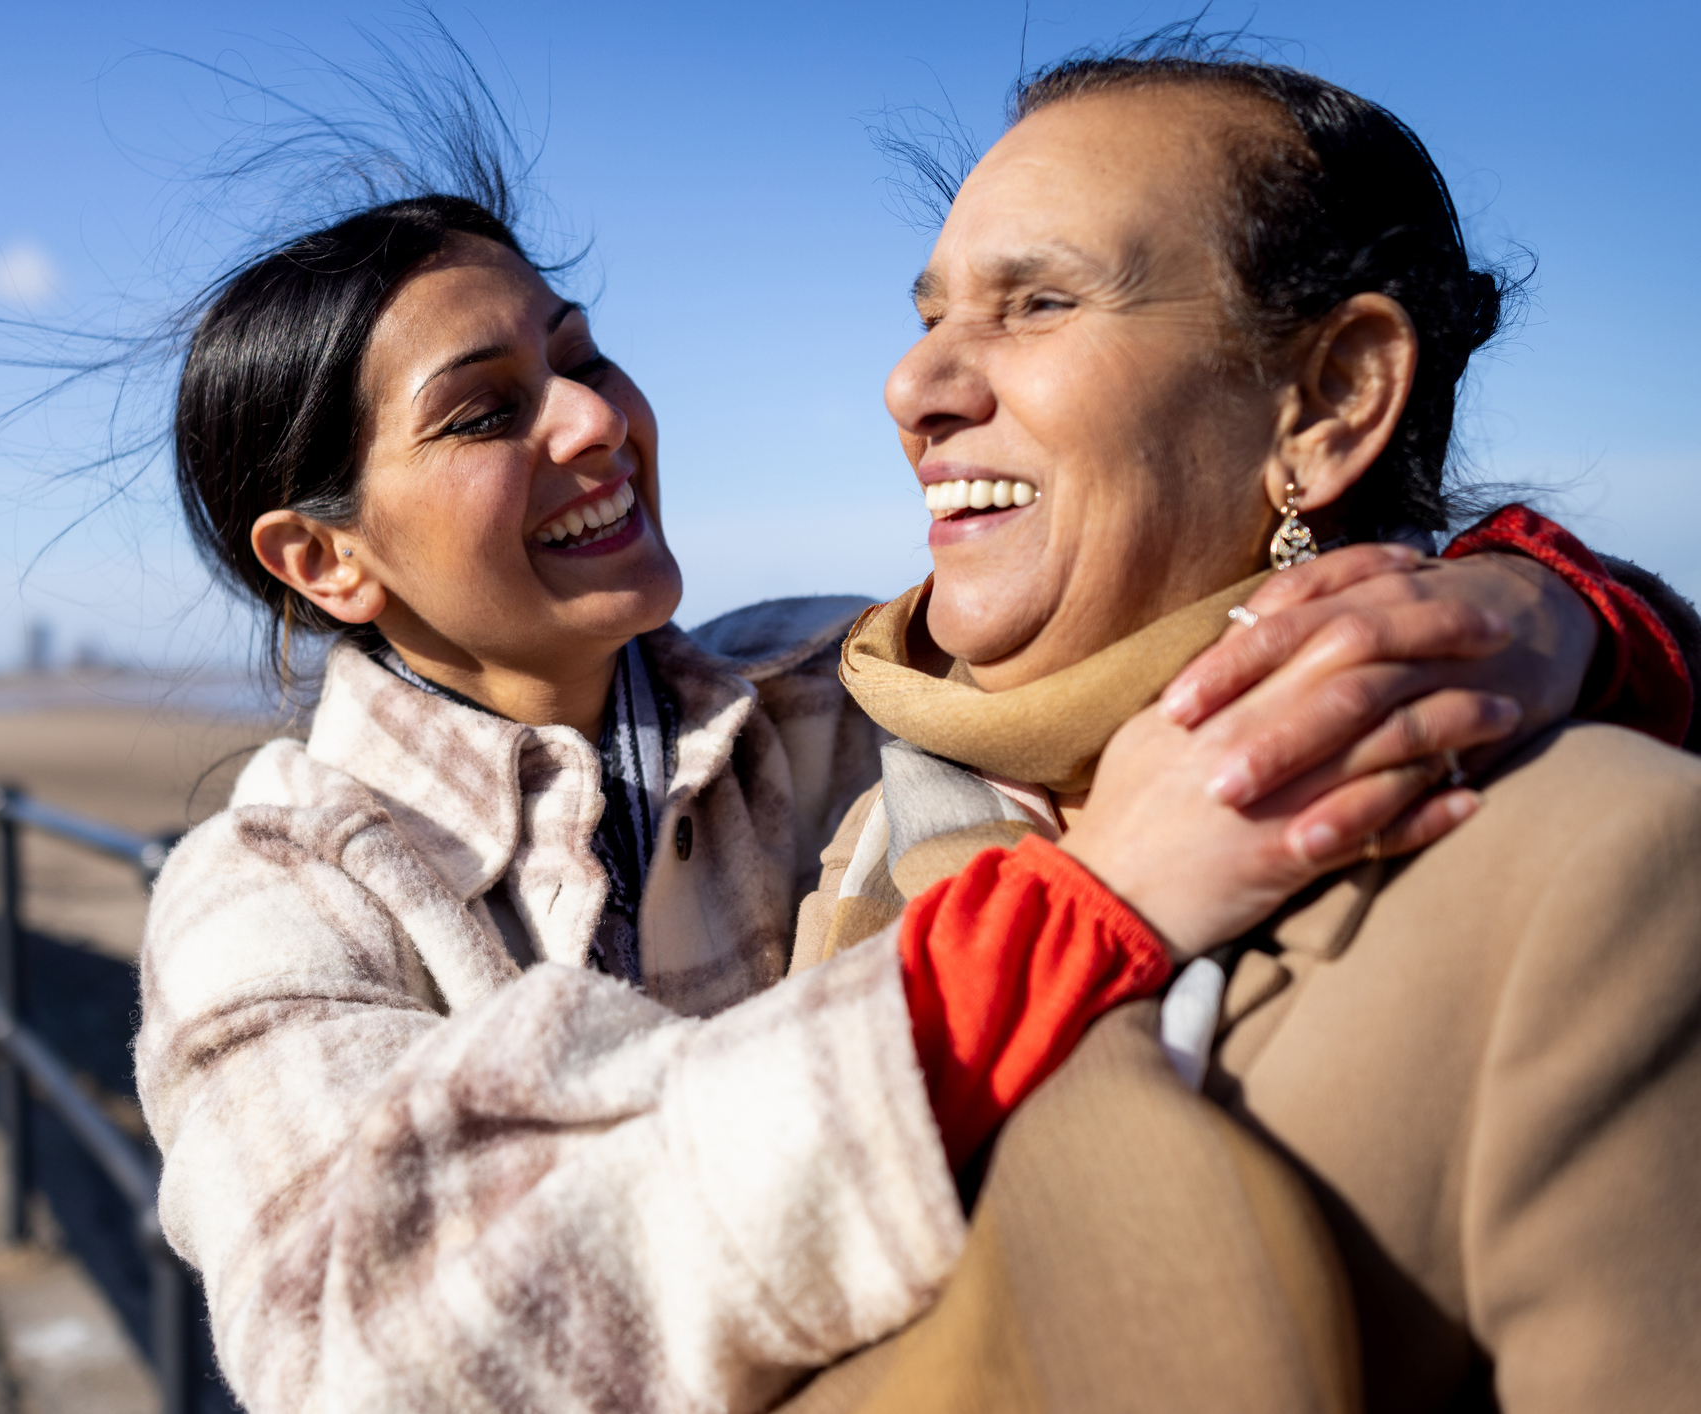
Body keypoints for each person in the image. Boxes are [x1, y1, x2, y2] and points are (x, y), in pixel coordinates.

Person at [131, 93, 1690, 1414]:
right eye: (485, 415)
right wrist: (1077, 924)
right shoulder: (270, 895)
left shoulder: (824, 690)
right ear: (327, 565)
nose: (595, 424)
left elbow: (1156, 629)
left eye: (584, 359)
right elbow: (367, 1342)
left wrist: (1550, 603)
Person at [788, 45, 1701, 1413]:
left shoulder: (1601, 868)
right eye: (931, 316)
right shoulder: (877, 829)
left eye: (1038, 302)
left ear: (1330, 403)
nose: (913, 386)